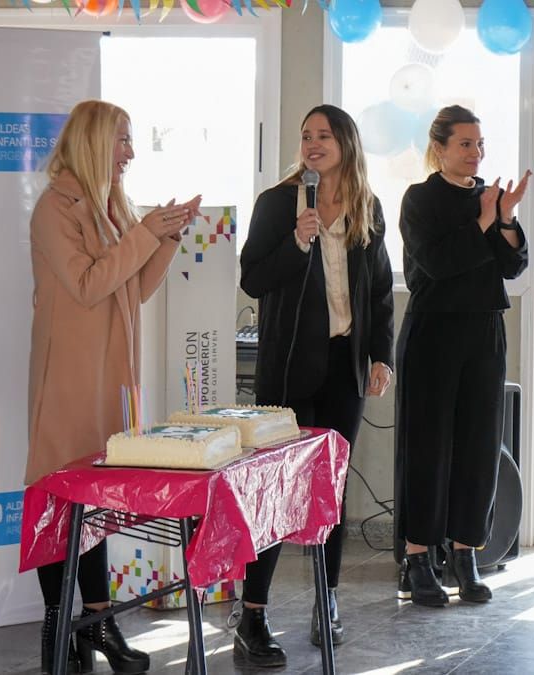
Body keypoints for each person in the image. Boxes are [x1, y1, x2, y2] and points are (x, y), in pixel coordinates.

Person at [26, 99, 200, 675]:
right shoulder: (55, 207)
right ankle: (60, 623)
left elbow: (136, 287)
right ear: (96, 142)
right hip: (70, 378)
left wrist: (167, 237)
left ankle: (98, 622)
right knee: (60, 497)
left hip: (113, 378)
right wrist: (146, 231)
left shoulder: (113, 206)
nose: (130, 151)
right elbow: (85, 284)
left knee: (96, 503)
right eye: (122, 140)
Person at [239, 105, 395, 662]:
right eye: (305, 135)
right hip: (287, 370)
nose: (312, 144)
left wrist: (381, 356)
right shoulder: (278, 203)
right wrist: (296, 243)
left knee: (330, 488)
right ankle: (252, 615)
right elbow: (253, 278)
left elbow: (378, 291)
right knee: (277, 490)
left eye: (323, 135)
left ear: (346, 143)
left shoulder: (366, 206)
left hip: (344, 367)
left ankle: (325, 601)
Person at [395, 104, 530, 607]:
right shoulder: (420, 199)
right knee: (429, 448)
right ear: (440, 148)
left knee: (479, 447)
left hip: (484, 335)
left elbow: (513, 264)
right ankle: (417, 557)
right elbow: (436, 263)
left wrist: (507, 218)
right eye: (465, 144)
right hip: (433, 336)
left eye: (479, 143)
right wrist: (483, 221)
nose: (476, 153)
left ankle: (466, 553)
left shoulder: (489, 198)